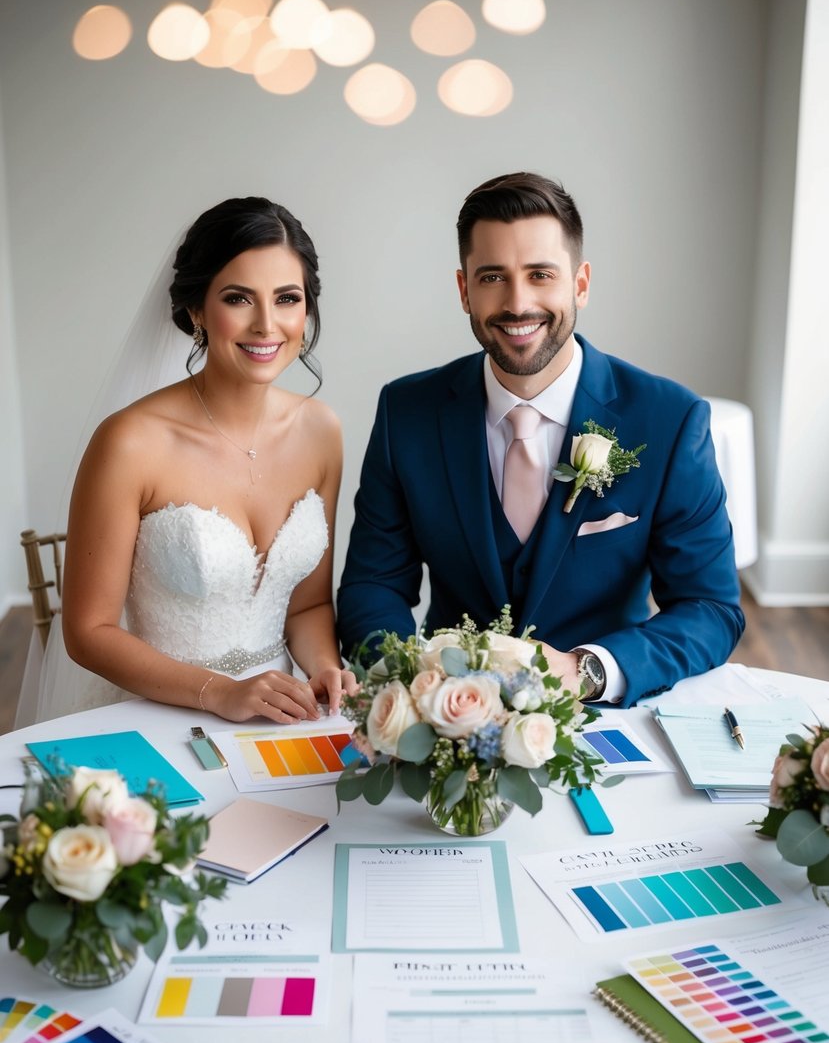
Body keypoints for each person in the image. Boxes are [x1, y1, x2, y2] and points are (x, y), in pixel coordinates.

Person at [337, 172, 744, 707]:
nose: (517, 303)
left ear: (580, 283)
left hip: (604, 722)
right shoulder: (407, 413)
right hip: (446, 723)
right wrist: (413, 679)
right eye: (492, 278)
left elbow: (709, 608)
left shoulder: (670, 420)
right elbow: (373, 586)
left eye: (540, 274)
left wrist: (588, 671)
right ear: (464, 290)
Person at [50, 196, 355, 723]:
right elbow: (88, 633)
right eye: (238, 298)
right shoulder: (130, 441)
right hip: (158, 711)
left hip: (279, 714)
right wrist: (220, 692)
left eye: (287, 298)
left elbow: (306, 606)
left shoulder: (321, 430)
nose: (266, 324)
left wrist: (325, 666)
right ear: (196, 310)